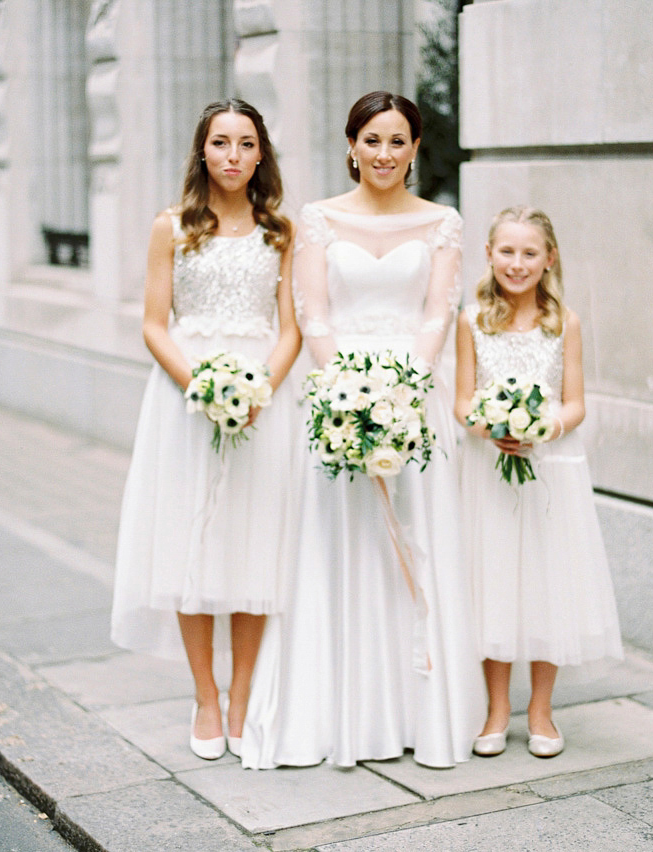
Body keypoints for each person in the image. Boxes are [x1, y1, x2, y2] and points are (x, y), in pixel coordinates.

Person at [241, 91, 481, 769]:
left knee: (414, 542)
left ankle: (419, 712)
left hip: (415, 401)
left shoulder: (442, 222)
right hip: (336, 403)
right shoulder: (316, 220)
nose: (384, 154)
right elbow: (313, 315)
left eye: (397, 141)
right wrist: (350, 394)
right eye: (372, 140)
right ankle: (340, 713)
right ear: (352, 146)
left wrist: (402, 392)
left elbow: (438, 313)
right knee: (343, 547)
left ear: (415, 149)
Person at [111, 99, 300, 760]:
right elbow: (154, 324)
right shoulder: (172, 227)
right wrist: (201, 386)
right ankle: (205, 696)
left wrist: (260, 391)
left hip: (261, 407)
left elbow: (292, 327)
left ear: (260, 155)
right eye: (220, 143)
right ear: (202, 152)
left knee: (254, 545)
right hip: (185, 402)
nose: (232, 157)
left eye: (245, 145)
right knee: (192, 544)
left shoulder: (281, 231)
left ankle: (244, 696)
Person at [454, 206, 623, 759]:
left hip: (551, 466)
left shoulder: (564, 322)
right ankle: (497, 708)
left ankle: (541, 709)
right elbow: (460, 402)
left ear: (549, 259)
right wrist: (492, 427)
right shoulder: (471, 320)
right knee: (494, 578)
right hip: (489, 468)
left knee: (548, 580)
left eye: (530, 253)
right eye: (507, 251)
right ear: (488, 254)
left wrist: (541, 427)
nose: (517, 263)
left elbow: (575, 404)